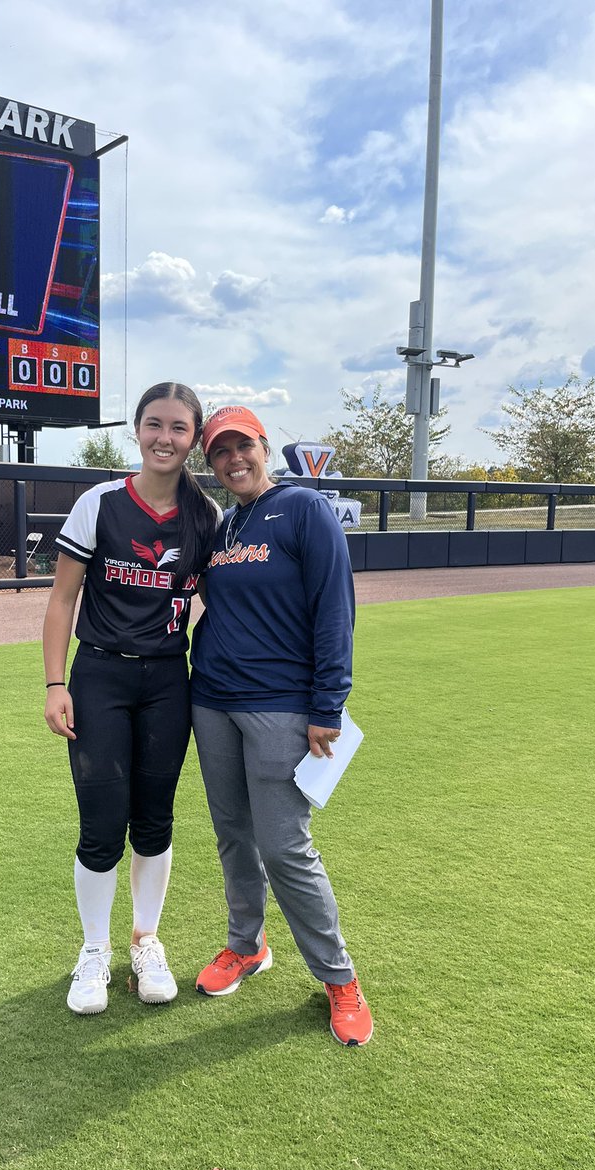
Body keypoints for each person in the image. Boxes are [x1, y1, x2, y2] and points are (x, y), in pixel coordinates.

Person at [189, 405, 374, 1046]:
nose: (233, 459)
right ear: (210, 465)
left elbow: (334, 608)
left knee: (284, 845)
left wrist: (328, 705)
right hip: (211, 699)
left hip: (282, 706)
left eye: (243, 446)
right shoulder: (223, 527)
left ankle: (338, 978)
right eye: (220, 451)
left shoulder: (303, 509)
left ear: (265, 447)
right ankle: (247, 945)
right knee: (233, 834)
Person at [43, 382, 217, 1015]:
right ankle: (93, 950)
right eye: (153, 424)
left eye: (177, 427)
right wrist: (55, 682)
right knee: (100, 824)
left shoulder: (205, 518)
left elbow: (222, 602)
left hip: (170, 681)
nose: (163, 438)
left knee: (154, 819)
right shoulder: (100, 503)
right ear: (137, 431)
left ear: (194, 437)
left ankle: (145, 940)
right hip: (101, 679)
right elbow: (62, 600)